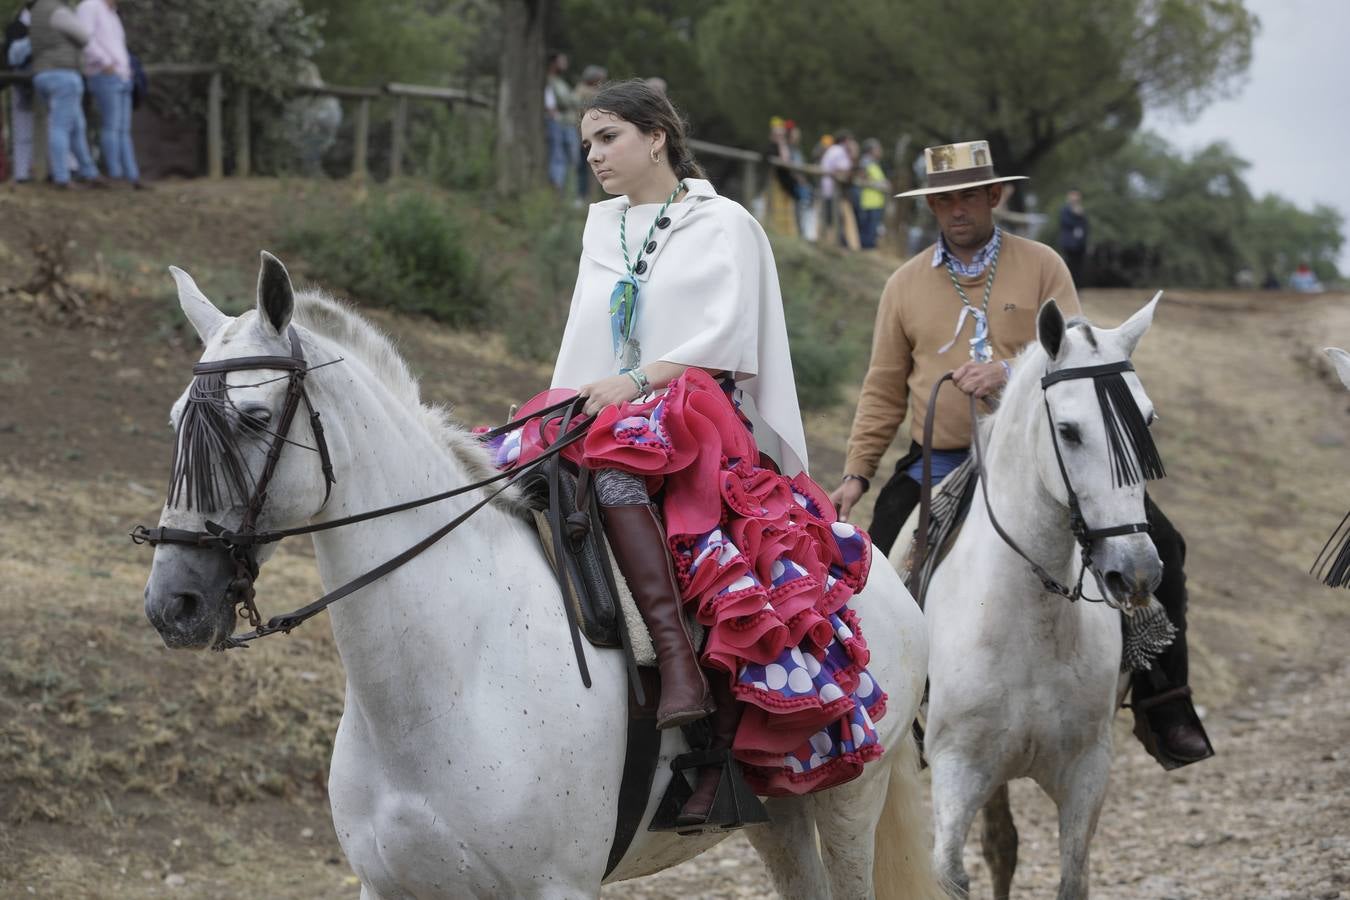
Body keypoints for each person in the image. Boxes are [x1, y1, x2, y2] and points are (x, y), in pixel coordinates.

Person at [499, 79, 889, 831]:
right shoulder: (603, 228)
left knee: (617, 474)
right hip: (613, 406)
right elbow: (585, 344)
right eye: (586, 144)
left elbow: (728, 337)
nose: (593, 156)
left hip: (700, 407)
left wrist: (636, 382)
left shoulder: (724, 222)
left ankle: (679, 663)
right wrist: (582, 401)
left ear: (656, 138)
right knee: (510, 472)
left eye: (608, 137)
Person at [830, 139, 1211, 768]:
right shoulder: (903, 285)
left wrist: (1006, 374)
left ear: (994, 196)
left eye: (967, 196)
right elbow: (883, 386)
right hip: (942, 456)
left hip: (1042, 459)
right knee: (879, 566)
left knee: (1160, 542)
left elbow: (1078, 356)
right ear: (931, 207)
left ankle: (1164, 701)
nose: (955, 209)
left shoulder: (1041, 265)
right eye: (943, 200)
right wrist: (857, 472)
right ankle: (893, 713)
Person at [28, 0, 102, 188]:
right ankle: (62, 177)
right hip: (63, 74)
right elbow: (83, 36)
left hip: (42, 73)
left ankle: (90, 172)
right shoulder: (57, 11)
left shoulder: (36, 11)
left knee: (76, 126)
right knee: (60, 127)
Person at [77, 0, 142, 188]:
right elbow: (85, 38)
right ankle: (115, 174)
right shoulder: (89, 7)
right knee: (111, 127)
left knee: (123, 129)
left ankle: (132, 175)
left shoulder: (112, 13)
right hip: (105, 74)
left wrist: (125, 69)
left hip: (123, 76)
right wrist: (104, 62)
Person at [4, 2, 36, 183]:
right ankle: (22, 172)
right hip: (22, 83)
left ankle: (31, 169)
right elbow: (11, 58)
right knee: (23, 128)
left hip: (37, 81)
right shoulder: (16, 27)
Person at [571, 64, 606, 201]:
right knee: (584, 167)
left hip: (587, 134)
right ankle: (583, 195)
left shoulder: (581, 91)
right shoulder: (585, 92)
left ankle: (590, 195)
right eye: (600, 79)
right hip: (583, 135)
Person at [544, 51, 577, 193]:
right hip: (557, 123)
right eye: (561, 61)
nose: (565, 64)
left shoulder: (560, 82)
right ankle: (557, 186)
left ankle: (567, 190)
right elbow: (560, 102)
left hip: (567, 123)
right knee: (558, 155)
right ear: (554, 63)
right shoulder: (549, 81)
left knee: (571, 157)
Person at [819, 129, 858, 248]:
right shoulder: (840, 151)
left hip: (828, 189)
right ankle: (837, 245)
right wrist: (853, 155)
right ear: (846, 141)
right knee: (836, 219)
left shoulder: (833, 150)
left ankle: (830, 243)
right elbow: (843, 170)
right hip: (835, 190)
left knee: (830, 218)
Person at [857, 138, 890, 250]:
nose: (880, 151)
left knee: (872, 229)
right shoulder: (865, 162)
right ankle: (866, 249)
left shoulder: (874, 163)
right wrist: (880, 185)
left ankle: (869, 247)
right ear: (871, 150)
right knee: (867, 229)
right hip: (868, 202)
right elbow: (861, 180)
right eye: (878, 149)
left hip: (875, 202)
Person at [1058, 189, 1089, 284]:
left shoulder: (1082, 211)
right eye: (1073, 195)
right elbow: (1066, 223)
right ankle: (1067, 285)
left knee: (1079, 267)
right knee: (1069, 265)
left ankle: (1078, 286)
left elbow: (1085, 226)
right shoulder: (1065, 210)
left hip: (1080, 244)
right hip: (1069, 244)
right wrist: (1076, 215)